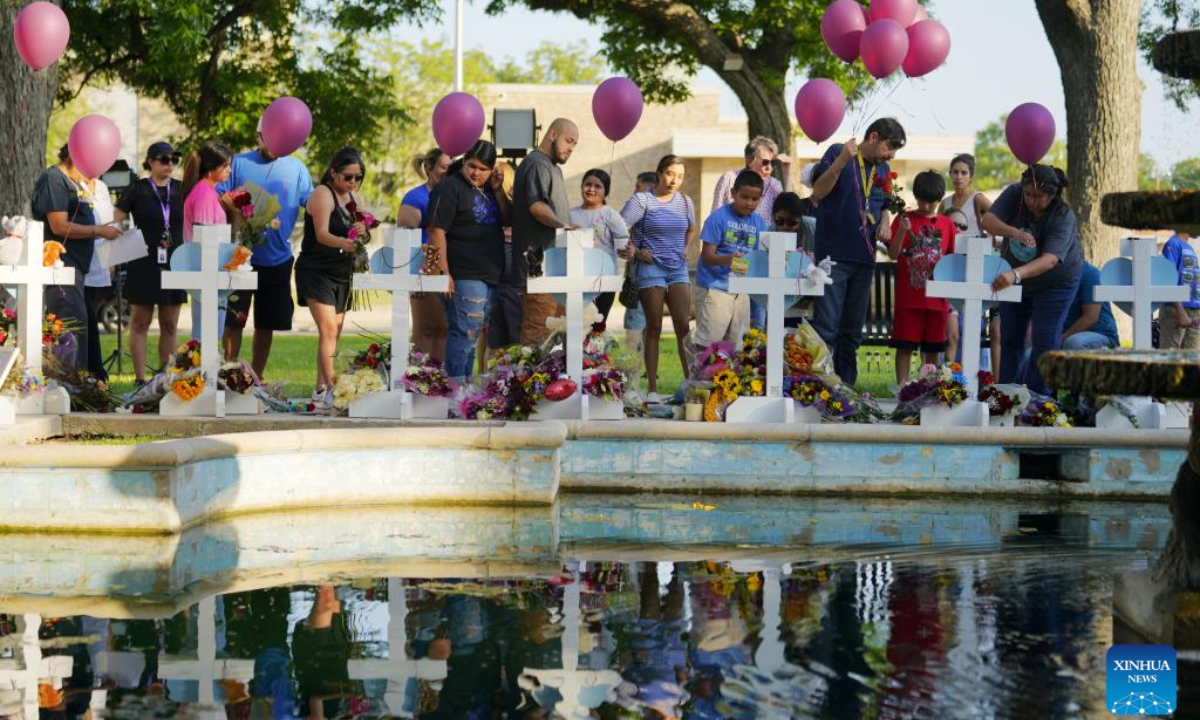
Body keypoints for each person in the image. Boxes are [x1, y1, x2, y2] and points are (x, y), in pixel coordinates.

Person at [809, 118, 907, 386]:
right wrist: (841, 161)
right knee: (827, 328)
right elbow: (817, 193)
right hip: (834, 256)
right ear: (873, 137)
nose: (892, 155)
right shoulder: (837, 152)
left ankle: (846, 390)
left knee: (852, 333)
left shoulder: (883, 169)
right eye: (890, 147)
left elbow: (884, 204)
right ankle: (817, 388)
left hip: (865, 257)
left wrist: (885, 221)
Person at [218, 119, 315, 379]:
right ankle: (228, 374)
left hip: (278, 259)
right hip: (239, 256)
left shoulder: (297, 168)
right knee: (233, 321)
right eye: (268, 137)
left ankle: (255, 378)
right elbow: (221, 193)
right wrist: (239, 210)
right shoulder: (238, 162)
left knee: (266, 323)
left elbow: (313, 203)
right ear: (258, 135)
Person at [983, 164, 1084, 397]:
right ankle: (1007, 398)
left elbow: (1050, 260)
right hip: (1015, 278)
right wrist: (1014, 233)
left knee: (1044, 340)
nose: (1031, 201)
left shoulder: (1063, 216)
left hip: (1055, 282)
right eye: (1028, 194)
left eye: (1039, 197)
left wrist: (1015, 274)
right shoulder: (1015, 194)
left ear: (1053, 195)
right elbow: (988, 221)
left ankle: (1041, 402)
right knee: (1010, 337)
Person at [31, 145, 123, 372]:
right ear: (73, 156)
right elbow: (59, 225)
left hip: (78, 270)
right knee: (70, 326)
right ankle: (68, 387)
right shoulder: (54, 179)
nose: (90, 176)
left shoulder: (74, 183)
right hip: (61, 266)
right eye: (87, 167)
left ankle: (77, 385)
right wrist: (98, 231)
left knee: (80, 325)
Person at [427, 140, 510, 380]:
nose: (476, 172)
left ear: (491, 170)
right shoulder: (449, 188)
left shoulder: (488, 190)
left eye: (483, 169)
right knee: (464, 333)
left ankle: (464, 393)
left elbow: (507, 220)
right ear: (464, 162)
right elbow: (435, 229)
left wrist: (497, 190)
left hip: (489, 274)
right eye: (472, 165)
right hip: (464, 274)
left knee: (472, 337)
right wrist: (443, 272)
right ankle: (454, 392)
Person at [297, 148, 371, 408]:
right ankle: (332, 388)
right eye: (348, 176)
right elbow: (321, 234)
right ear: (333, 173)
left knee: (334, 333)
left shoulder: (353, 197)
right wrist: (345, 242)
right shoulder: (322, 194)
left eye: (357, 177)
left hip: (341, 272)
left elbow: (363, 234)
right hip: (316, 270)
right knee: (327, 329)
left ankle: (319, 389)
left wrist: (364, 230)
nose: (352, 182)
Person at [620, 155, 697, 402]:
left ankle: (690, 385)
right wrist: (635, 250)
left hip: (678, 269)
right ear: (659, 172)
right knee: (653, 327)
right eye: (670, 173)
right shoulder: (642, 200)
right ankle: (652, 389)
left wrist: (685, 249)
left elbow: (692, 228)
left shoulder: (685, 202)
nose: (674, 180)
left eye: (680, 176)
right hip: (650, 269)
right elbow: (619, 227)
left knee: (683, 328)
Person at [115, 142, 187, 385]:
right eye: (164, 159)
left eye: (174, 160)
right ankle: (139, 379)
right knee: (140, 322)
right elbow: (116, 222)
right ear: (151, 162)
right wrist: (116, 256)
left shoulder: (182, 189)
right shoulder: (137, 189)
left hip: (174, 262)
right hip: (143, 262)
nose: (170, 164)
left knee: (169, 323)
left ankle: (166, 378)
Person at [510, 118, 578, 346]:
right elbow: (537, 207)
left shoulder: (552, 168)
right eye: (569, 141)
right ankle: (531, 382)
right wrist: (564, 226)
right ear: (552, 134)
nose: (571, 148)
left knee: (554, 340)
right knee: (538, 338)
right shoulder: (538, 164)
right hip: (538, 270)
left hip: (555, 271)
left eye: (575, 144)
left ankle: (556, 383)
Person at [886, 170, 957, 385]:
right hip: (910, 299)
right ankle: (903, 390)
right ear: (916, 197)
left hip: (938, 301)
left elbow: (951, 260)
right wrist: (901, 231)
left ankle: (929, 389)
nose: (927, 207)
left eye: (933, 202)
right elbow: (892, 254)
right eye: (923, 201)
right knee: (905, 346)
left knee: (933, 350)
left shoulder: (947, 225)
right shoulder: (903, 219)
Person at [693, 170, 766, 356]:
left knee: (738, 346)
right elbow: (707, 256)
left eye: (754, 199)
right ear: (733, 193)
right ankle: (698, 382)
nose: (749, 203)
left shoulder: (759, 224)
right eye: (744, 197)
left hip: (741, 291)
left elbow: (761, 256)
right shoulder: (718, 218)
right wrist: (729, 260)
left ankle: (728, 384)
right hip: (714, 288)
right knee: (708, 345)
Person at [398, 147, 452, 361]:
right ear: (429, 168)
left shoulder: (452, 196)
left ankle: (440, 381)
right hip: (423, 272)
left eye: (451, 169)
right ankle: (418, 378)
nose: (447, 173)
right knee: (425, 329)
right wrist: (416, 279)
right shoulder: (415, 198)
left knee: (445, 328)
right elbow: (405, 243)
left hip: (447, 270)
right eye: (443, 168)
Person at [182, 141, 234, 341]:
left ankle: (207, 371)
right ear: (212, 169)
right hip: (206, 271)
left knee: (213, 334)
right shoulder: (203, 193)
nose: (230, 170)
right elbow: (203, 236)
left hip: (214, 271)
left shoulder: (210, 191)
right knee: (206, 335)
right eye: (225, 166)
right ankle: (202, 372)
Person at [569, 168, 629, 322]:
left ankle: (596, 348)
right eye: (588, 184)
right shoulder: (570, 214)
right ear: (581, 186)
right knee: (576, 324)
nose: (591, 189)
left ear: (606, 191)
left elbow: (624, 242)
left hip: (605, 279)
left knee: (597, 326)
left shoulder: (610, 214)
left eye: (597, 186)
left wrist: (628, 250)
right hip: (576, 278)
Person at [76, 164, 114, 381]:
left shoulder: (101, 187)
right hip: (80, 261)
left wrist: (112, 259)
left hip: (99, 262)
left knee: (91, 318)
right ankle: (95, 371)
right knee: (86, 317)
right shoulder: (73, 184)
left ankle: (95, 371)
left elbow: (108, 222)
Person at [711, 136, 790, 224]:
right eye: (765, 162)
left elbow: (788, 211)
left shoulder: (775, 185)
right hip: (731, 236)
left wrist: (787, 172)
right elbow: (715, 215)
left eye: (773, 163)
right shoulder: (729, 179)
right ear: (749, 161)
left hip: (764, 237)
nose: (769, 167)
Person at [622, 172, 659, 354]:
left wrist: (635, 251)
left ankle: (633, 369)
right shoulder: (638, 208)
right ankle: (634, 370)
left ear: (650, 187)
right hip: (637, 276)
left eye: (638, 187)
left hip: (643, 277)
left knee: (637, 324)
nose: (634, 191)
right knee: (641, 323)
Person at [1160, 230, 1200, 349]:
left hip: (1194, 312)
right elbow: (1168, 279)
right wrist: (1180, 311)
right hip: (1176, 311)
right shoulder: (1172, 244)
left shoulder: (1189, 247)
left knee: (1192, 360)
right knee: (1170, 358)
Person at [939, 154, 992, 237]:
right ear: (950, 174)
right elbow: (938, 230)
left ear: (971, 177)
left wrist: (990, 235)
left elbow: (999, 218)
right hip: (950, 249)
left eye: (964, 173)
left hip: (974, 249)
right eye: (955, 172)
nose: (959, 177)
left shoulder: (978, 199)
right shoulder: (944, 203)